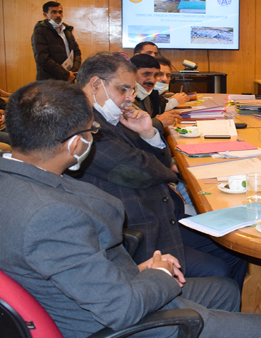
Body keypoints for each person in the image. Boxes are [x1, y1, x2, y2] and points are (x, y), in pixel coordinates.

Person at [0, 80, 261, 338]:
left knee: (225, 291)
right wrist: (159, 274)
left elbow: (65, 266)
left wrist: (137, 271)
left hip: (93, 298)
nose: (93, 137)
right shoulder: (50, 216)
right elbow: (121, 308)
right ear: (75, 143)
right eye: (91, 131)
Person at [71, 51, 248, 285]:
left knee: (237, 250)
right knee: (219, 269)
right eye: (123, 89)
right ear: (95, 84)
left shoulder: (110, 117)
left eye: (132, 91)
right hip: (139, 230)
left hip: (161, 215)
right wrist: (177, 172)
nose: (129, 98)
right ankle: (201, 302)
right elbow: (142, 171)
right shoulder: (84, 124)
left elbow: (157, 165)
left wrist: (148, 133)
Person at [31, 1, 81, 81]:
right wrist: (65, 75)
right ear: (45, 15)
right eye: (53, 12)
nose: (58, 15)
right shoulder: (40, 31)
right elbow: (42, 58)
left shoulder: (66, 30)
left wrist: (73, 71)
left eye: (60, 12)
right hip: (50, 81)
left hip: (69, 78)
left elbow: (76, 52)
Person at [130, 53, 181, 131]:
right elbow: (129, 130)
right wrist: (159, 122)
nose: (152, 80)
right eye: (146, 74)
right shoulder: (125, 98)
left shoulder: (146, 95)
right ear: (130, 74)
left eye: (155, 75)